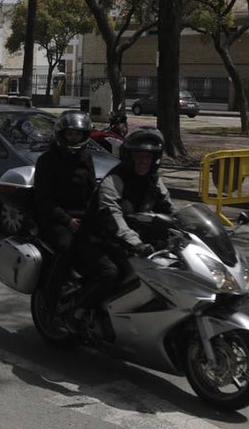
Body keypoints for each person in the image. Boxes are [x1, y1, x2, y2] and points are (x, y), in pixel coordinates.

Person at [74, 128, 175, 313]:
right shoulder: (114, 180)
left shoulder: (154, 181)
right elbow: (111, 216)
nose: (143, 161)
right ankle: (78, 313)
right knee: (111, 274)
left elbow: (170, 211)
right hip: (98, 239)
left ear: (155, 158)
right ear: (129, 156)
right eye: (138, 156)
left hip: (129, 243)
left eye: (147, 157)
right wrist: (135, 243)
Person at [32, 110, 97, 313]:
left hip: (83, 216)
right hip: (55, 219)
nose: (74, 138)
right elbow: (43, 200)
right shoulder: (47, 160)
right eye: (70, 134)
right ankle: (51, 299)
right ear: (62, 134)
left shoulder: (86, 158)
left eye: (78, 134)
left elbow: (92, 190)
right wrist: (68, 220)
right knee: (66, 246)